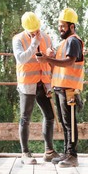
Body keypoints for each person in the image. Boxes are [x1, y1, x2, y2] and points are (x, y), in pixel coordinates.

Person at [36, 8, 84, 167]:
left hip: (68, 89)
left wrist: (48, 58)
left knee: (70, 123)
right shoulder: (65, 43)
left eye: (63, 26)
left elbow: (69, 62)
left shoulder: (73, 41)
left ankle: (72, 156)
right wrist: (50, 57)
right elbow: (59, 64)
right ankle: (67, 153)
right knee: (65, 123)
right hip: (61, 88)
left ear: (71, 26)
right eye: (59, 26)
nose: (60, 29)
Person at [12, 12, 60, 165]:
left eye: (37, 29)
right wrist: (34, 43)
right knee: (25, 118)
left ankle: (49, 151)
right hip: (27, 84)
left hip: (43, 81)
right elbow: (21, 58)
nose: (36, 32)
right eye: (32, 30)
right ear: (25, 28)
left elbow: (50, 55)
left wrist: (51, 54)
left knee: (50, 116)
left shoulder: (45, 37)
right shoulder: (18, 39)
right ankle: (25, 153)